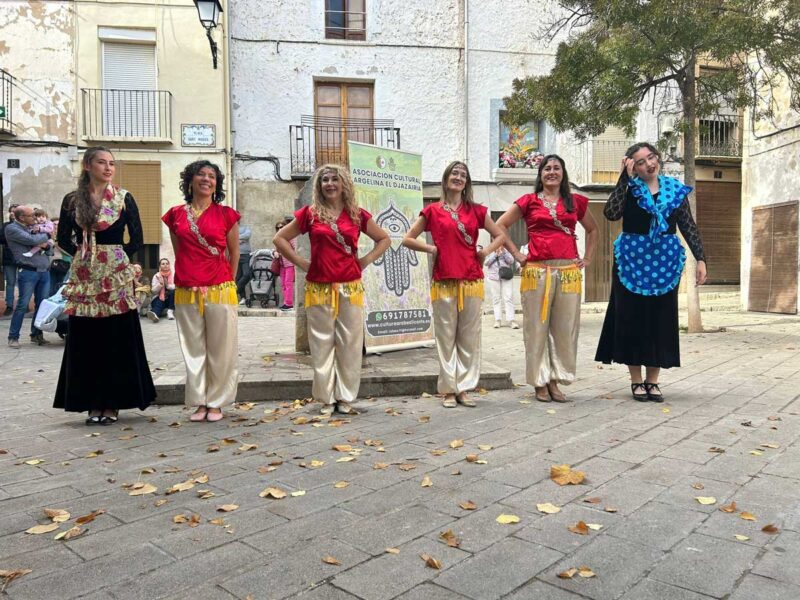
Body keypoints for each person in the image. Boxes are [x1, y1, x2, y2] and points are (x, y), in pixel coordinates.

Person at [273, 164, 390, 416]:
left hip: (350, 287)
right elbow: (279, 239)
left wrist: (365, 260)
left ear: (344, 184)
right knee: (321, 344)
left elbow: (384, 239)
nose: (329, 184)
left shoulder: (358, 215)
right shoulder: (310, 213)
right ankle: (326, 398)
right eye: (324, 179)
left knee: (349, 344)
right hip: (319, 287)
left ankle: (345, 397)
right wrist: (301, 262)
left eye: (334, 179)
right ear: (319, 185)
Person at [595, 142, 707, 402]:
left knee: (660, 318)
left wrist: (700, 258)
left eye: (651, 157)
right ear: (632, 165)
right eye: (641, 161)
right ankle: (636, 380)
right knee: (630, 317)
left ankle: (653, 380)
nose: (649, 164)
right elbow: (611, 213)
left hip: (665, 262)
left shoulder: (674, 190)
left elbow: (688, 226)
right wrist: (623, 178)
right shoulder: (630, 189)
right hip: (631, 260)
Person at [53, 146, 156, 424]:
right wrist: (84, 254)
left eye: (111, 163)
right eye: (102, 162)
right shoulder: (72, 200)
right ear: (88, 165)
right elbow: (63, 238)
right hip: (84, 274)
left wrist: (116, 258)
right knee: (86, 336)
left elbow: (136, 238)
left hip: (116, 275)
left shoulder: (124, 198)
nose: (108, 168)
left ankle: (112, 403)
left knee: (116, 336)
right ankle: (91, 402)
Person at [403, 161, 506, 408]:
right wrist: (430, 248)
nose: (458, 177)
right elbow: (407, 239)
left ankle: (465, 388)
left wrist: (486, 252)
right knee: (446, 337)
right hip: (444, 280)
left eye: (463, 175)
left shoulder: (477, 211)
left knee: (469, 337)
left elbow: (501, 234)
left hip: (471, 279)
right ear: (446, 178)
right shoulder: (432, 211)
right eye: (454, 173)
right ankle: (449, 389)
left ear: (467, 182)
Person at [497, 154, 598, 403]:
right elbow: (499, 225)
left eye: (556, 168)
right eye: (547, 168)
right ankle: (539, 382)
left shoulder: (576, 202)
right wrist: (517, 253)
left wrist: (588, 259)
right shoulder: (528, 201)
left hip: (568, 273)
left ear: (563, 173)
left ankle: (555, 380)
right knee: (536, 329)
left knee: (564, 330)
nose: (552, 172)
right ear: (540, 174)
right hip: (536, 271)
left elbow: (593, 229)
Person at [163, 160, 240, 422]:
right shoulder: (174, 214)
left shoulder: (226, 214)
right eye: (201, 174)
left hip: (219, 287)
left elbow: (234, 252)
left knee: (221, 348)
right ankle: (199, 401)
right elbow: (179, 250)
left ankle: (217, 401)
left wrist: (227, 279)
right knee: (193, 348)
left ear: (216, 184)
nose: (207, 179)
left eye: (212, 176)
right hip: (186, 287)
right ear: (190, 180)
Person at [4, 205, 53, 347]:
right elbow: (32, 240)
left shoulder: (35, 227)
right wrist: (49, 234)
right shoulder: (12, 229)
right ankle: (13, 337)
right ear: (21, 218)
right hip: (28, 271)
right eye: (32, 215)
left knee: (41, 305)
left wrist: (47, 244)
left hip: (44, 270)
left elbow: (49, 248)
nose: (36, 218)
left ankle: (36, 335)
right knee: (22, 305)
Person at [485, 245, 518, 329]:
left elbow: (511, 261)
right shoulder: (489, 249)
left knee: (508, 297)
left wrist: (504, 252)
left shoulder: (506, 250)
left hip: (506, 276)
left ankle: (511, 320)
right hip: (494, 277)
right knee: (496, 298)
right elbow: (486, 262)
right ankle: (497, 320)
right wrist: (495, 255)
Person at [273, 219, 296, 310]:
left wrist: (284, 253)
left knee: (288, 283)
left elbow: (295, 249)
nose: (279, 229)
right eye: (277, 228)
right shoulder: (278, 238)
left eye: (281, 227)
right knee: (283, 284)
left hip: (290, 263)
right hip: (282, 263)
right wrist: (275, 253)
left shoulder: (291, 237)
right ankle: (286, 302)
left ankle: (289, 303)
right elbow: (275, 249)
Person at [1, 204, 20, 316]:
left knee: (23, 282)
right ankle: (9, 305)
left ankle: (24, 305)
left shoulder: (25, 225)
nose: (13, 213)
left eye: (15, 211)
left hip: (23, 258)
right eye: (11, 211)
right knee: (10, 282)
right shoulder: (5, 226)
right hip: (9, 258)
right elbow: (1, 238)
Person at [147, 258, 176, 322]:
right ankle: (155, 315)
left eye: (167, 263)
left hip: (171, 299)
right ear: (160, 266)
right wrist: (160, 285)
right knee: (160, 302)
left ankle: (170, 311)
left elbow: (176, 287)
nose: (165, 265)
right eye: (163, 264)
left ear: (169, 265)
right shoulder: (156, 276)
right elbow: (153, 291)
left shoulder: (174, 275)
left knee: (173, 291)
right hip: (159, 298)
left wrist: (167, 285)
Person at [236, 222, 252, 302]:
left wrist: (236, 238)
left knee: (247, 274)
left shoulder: (245, 227)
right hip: (235, 254)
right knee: (238, 277)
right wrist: (240, 239)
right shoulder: (231, 228)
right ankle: (243, 297)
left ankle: (235, 291)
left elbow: (248, 235)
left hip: (245, 254)